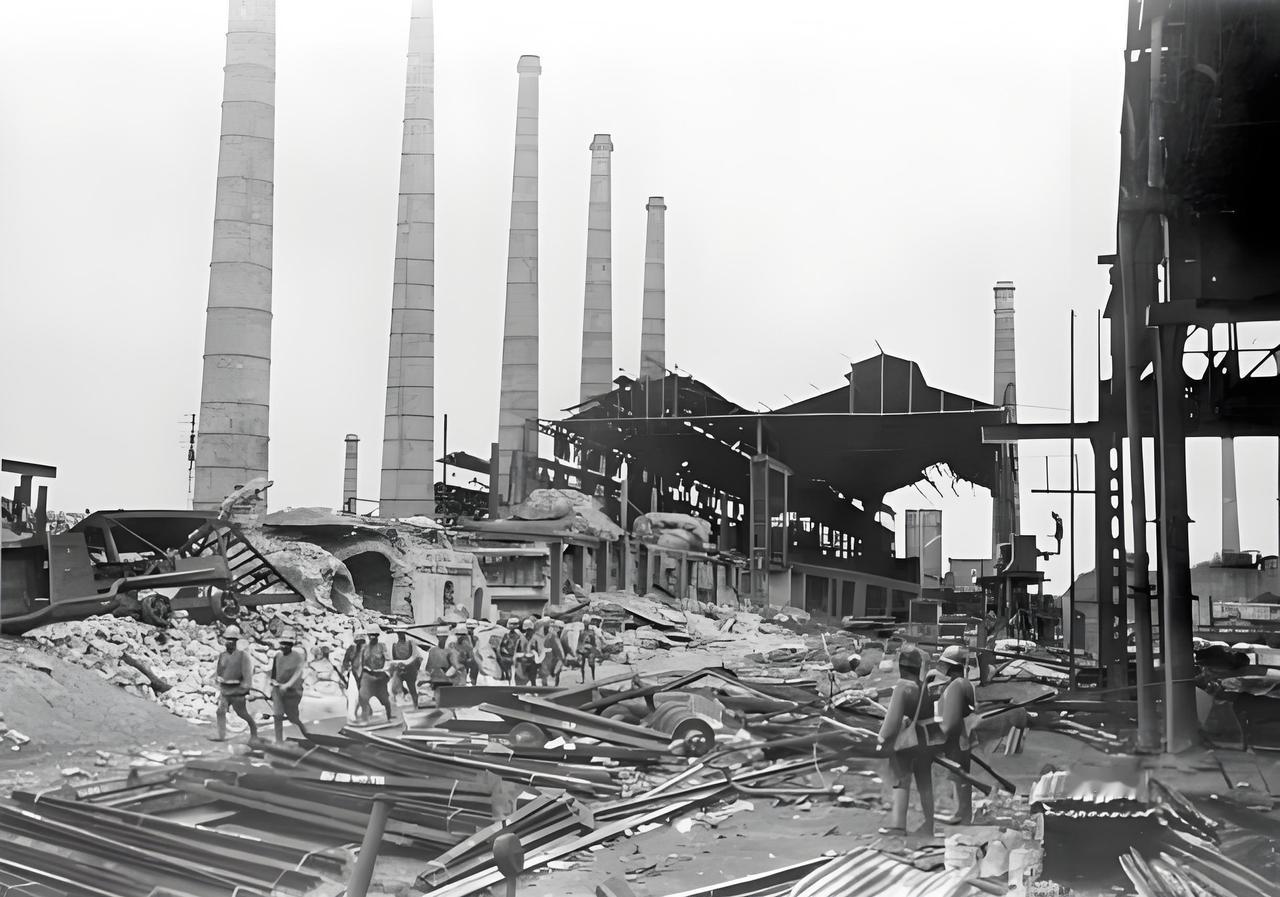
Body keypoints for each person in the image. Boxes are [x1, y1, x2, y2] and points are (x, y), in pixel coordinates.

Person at [875, 647, 937, 837]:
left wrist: (881, 739)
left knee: (901, 780)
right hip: (926, 739)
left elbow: (891, 723)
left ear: (901, 667)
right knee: (925, 783)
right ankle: (929, 825)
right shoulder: (923, 686)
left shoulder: (903, 687)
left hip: (909, 743)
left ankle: (898, 826)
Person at [933, 645, 977, 825]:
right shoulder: (965, 684)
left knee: (959, 777)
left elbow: (950, 722)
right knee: (961, 776)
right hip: (963, 737)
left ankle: (961, 814)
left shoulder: (956, 686)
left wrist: (937, 738)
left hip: (955, 739)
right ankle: (963, 813)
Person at [212, 625, 257, 742]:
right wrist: (218, 680)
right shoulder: (222, 656)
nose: (229, 642)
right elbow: (219, 672)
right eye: (227, 639)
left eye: (232, 639)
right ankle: (221, 736)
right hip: (225, 690)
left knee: (242, 713)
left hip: (237, 690)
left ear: (236, 641)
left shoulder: (243, 656)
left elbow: (247, 676)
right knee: (220, 712)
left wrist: (246, 691)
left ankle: (254, 731)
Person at [269, 628, 310, 743]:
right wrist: (272, 685)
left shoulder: (298, 656)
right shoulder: (277, 656)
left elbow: (297, 674)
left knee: (293, 718)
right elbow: (274, 673)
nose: (284, 646)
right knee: (277, 716)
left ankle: (306, 734)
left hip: (292, 692)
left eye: (287, 644)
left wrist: (287, 685)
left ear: (291, 645)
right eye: (282, 643)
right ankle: (278, 742)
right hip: (278, 690)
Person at [357, 624, 394, 723]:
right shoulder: (364, 648)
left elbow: (388, 660)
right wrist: (359, 676)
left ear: (377, 636)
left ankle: (389, 717)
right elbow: (360, 663)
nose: (372, 637)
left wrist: (387, 672)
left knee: (385, 699)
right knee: (363, 696)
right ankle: (365, 718)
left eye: (374, 635)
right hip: (367, 674)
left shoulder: (382, 646)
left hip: (380, 675)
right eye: (370, 635)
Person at [389, 628, 424, 709]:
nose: (401, 636)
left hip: (409, 670)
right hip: (402, 670)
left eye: (402, 634)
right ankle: (406, 702)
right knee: (397, 687)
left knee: (412, 689)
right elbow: (394, 659)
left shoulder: (410, 644)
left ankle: (415, 705)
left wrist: (414, 668)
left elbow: (416, 656)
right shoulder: (395, 645)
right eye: (400, 634)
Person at [340, 627, 368, 722]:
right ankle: (351, 715)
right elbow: (345, 661)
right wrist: (346, 669)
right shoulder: (351, 649)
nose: (360, 643)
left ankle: (363, 714)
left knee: (364, 695)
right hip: (353, 674)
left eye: (361, 640)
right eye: (358, 640)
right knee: (352, 695)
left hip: (364, 674)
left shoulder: (367, 649)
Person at [540, 618, 567, 686]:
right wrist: (562, 658)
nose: (561, 630)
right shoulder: (553, 635)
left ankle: (548, 687)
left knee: (547, 676)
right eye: (560, 628)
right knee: (553, 675)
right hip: (551, 658)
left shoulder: (548, 635)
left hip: (547, 658)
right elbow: (558, 648)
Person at [514, 617, 540, 686]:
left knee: (533, 679)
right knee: (519, 680)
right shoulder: (520, 639)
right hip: (521, 662)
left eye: (530, 630)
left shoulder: (535, 639)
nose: (529, 632)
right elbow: (516, 651)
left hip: (532, 662)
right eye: (527, 630)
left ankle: (533, 689)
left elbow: (537, 651)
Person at [577, 615, 602, 682]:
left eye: (587, 623)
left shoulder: (591, 632)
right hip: (582, 649)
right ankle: (582, 679)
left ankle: (593, 678)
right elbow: (579, 642)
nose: (586, 625)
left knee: (591, 664)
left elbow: (594, 643)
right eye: (584, 623)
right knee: (581, 664)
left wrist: (592, 648)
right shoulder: (581, 631)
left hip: (590, 650)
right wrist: (579, 649)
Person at [497, 617, 521, 683]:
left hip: (511, 655)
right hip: (505, 654)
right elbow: (500, 645)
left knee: (509, 670)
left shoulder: (518, 635)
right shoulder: (504, 634)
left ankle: (507, 677)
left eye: (515, 624)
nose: (513, 625)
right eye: (512, 624)